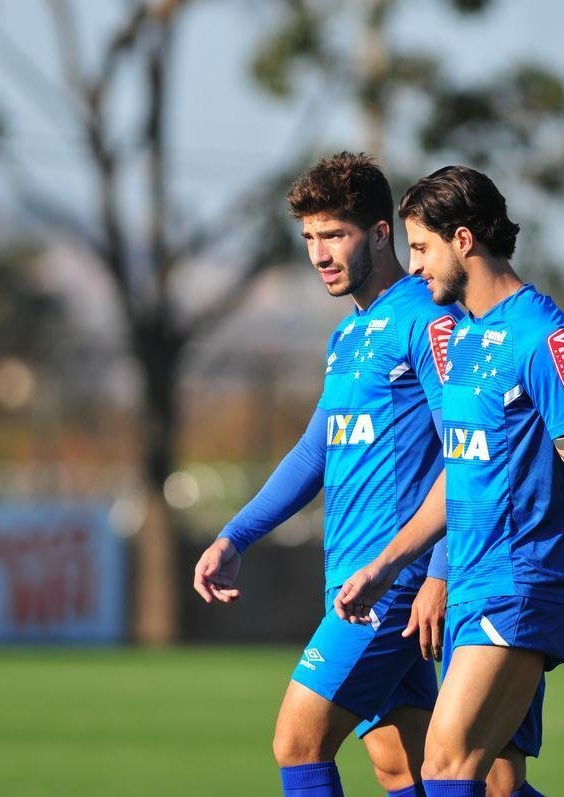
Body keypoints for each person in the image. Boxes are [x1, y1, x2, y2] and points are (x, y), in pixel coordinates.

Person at [335, 165, 564, 797]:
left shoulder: (544, 337)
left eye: (421, 248)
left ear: (464, 240)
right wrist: (387, 566)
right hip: (472, 591)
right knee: (498, 784)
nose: (413, 267)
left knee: (446, 763)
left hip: (519, 586)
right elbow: (460, 475)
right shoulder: (468, 341)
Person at [192, 152, 462, 797]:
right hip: (350, 579)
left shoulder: (428, 321)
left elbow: (470, 454)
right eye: (310, 237)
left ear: (379, 233)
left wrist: (440, 575)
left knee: (297, 742)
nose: (319, 254)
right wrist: (234, 536)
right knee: (411, 771)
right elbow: (316, 454)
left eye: (334, 234)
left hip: (394, 583)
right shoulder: (348, 336)